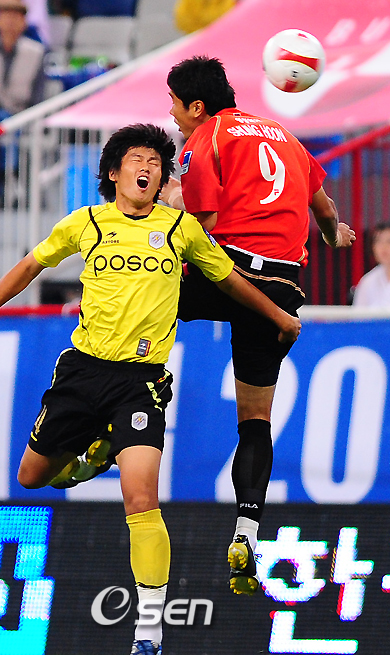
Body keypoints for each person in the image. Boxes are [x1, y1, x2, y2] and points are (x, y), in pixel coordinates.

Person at [0, 123, 300, 655]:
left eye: (156, 163)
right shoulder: (86, 223)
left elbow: (230, 281)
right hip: (82, 372)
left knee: (141, 499)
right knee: (31, 477)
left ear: (163, 179)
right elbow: (30, 266)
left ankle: (148, 635)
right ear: (114, 173)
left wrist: (278, 315)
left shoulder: (181, 229)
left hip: (140, 383)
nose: (148, 168)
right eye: (137, 159)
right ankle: (90, 457)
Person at [160, 55, 356, 596]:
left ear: (197, 106)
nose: (171, 114)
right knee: (255, 422)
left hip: (228, 270)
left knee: (139, 289)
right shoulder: (285, 136)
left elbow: (201, 225)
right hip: (283, 286)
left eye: (174, 104)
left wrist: (166, 212)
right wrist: (334, 236)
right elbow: (324, 210)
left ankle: (119, 413)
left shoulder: (206, 139)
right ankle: (246, 530)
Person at [0, 0, 46, 125]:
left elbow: (38, 97)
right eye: (6, 16)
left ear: (24, 22)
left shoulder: (37, 52)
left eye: (16, 17)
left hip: (21, 119)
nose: (11, 22)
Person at [353, 222, 390, 307]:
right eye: (378, 241)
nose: (383, 247)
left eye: (389, 241)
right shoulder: (368, 281)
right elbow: (358, 313)